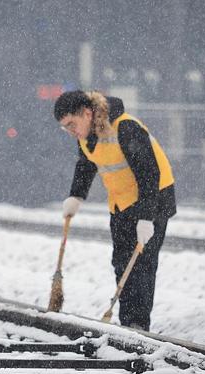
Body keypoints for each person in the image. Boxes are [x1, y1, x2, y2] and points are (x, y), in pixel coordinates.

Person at [54, 90, 176, 331]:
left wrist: (146, 218)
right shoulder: (86, 135)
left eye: (71, 124)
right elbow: (86, 163)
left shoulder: (126, 128)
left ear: (87, 113)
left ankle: (138, 325)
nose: (70, 131)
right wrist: (76, 196)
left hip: (153, 201)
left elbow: (149, 175)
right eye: (64, 127)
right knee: (121, 262)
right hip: (121, 203)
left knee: (142, 264)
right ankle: (126, 323)